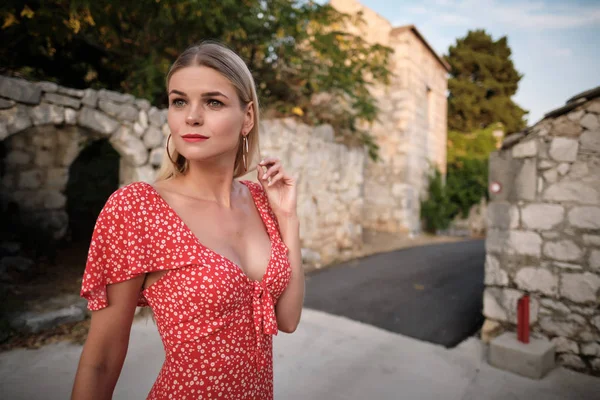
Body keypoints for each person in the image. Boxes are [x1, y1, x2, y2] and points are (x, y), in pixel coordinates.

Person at [71, 41, 305, 400]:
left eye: (213, 102)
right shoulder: (139, 208)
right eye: (179, 101)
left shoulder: (261, 201)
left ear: (248, 118)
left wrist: (287, 217)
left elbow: (286, 320)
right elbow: (100, 360)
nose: (191, 116)